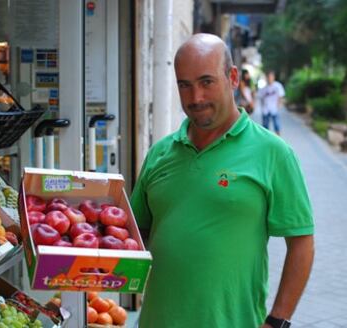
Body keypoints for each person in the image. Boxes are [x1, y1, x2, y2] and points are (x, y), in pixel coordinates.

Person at [130, 33, 314, 328]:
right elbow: (136, 231)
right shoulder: (160, 153)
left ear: (232, 77)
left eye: (206, 82)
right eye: (184, 85)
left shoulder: (273, 153)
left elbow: (301, 242)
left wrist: (278, 320)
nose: (195, 98)